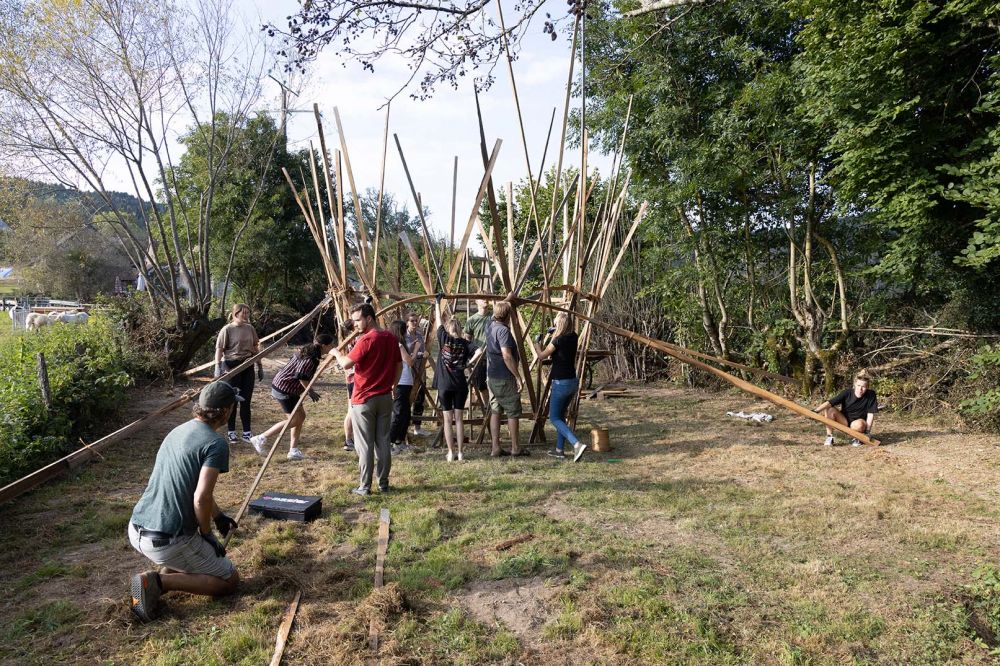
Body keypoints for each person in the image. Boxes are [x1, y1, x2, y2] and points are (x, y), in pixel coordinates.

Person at [127, 381, 242, 622]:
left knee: (191, 556)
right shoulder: (215, 443)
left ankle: (161, 575)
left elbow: (193, 490)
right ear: (227, 410)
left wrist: (218, 516)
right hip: (166, 539)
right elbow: (200, 498)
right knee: (229, 580)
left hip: (137, 528)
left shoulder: (178, 430)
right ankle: (157, 582)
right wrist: (207, 534)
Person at [330, 303, 401, 496]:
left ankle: (365, 486)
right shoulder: (391, 338)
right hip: (385, 397)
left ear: (369, 318)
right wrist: (393, 386)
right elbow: (399, 365)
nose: (355, 325)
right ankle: (383, 483)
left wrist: (336, 353)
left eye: (357, 320)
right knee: (383, 442)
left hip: (363, 399)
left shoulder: (366, 340)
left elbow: (346, 364)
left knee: (365, 444)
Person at [249, 334, 335, 460]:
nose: (332, 347)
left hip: (290, 389)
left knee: (300, 417)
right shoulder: (310, 359)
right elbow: (301, 376)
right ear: (323, 346)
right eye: (331, 344)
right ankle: (261, 438)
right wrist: (310, 391)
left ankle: (293, 450)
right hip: (284, 389)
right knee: (294, 420)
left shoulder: (309, 352)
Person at [533, 312, 587, 462]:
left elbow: (542, 356)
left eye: (556, 323)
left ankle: (576, 444)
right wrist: (553, 331)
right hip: (572, 381)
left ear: (559, 325)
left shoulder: (557, 340)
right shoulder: (573, 336)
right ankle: (559, 450)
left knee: (554, 417)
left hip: (560, 382)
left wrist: (537, 343)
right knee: (561, 416)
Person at [433, 294, 475, 461]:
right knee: (459, 419)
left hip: (445, 384)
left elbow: (437, 319)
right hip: (460, 384)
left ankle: (450, 452)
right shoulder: (465, 343)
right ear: (459, 328)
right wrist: (468, 364)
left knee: (447, 419)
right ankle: (461, 452)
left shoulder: (444, 338)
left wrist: (438, 303)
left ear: (448, 327)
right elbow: (479, 351)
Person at [214, 303, 262, 443]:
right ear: (236, 314)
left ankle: (247, 432)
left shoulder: (250, 328)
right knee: (232, 400)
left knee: (246, 400)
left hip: (247, 365)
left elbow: (255, 347)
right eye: (244, 313)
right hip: (231, 366)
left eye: (247, 313)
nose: (246, 315)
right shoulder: (227, 329)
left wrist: (259, 366)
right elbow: (219, 349)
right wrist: (218, 367)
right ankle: (231, 432)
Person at [486, 300, 527, 457]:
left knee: (495, 410)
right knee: (512, 411)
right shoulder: (503, 331)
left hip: (492, 376)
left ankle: (495, 448)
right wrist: (517, 376)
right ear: (508, 315)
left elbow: (496, 313)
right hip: (504, 377)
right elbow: (507, 356)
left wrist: (507, 299)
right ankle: (515, 448)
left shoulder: (490, 326)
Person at [813, 372, 878, 447]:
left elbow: (870, 414)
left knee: (859, 424)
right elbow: (830, 402)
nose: (860, 389)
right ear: (854, 385)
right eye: (858, 385)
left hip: (858, 423)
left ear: (867, 387)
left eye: (863, 387)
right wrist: (816, 411)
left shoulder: (871, 395)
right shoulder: (847, 393)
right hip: (844, 421)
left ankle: (857, 437)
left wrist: (867, 432)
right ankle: (829, 437)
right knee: (829, 409)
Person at [389, 319, 417, 453]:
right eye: (405, 327)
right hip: (401, 382)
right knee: (399, 413)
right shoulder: (398, 344)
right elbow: (410, 361)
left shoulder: (400, 344)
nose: (407, 329)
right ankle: (389, 442)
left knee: (405, 414)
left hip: (406, 382)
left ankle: (399, 441)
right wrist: (416, 349)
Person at [406, 312, 431, 437]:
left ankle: (417, 427)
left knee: (419, 399)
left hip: (420, 371)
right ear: (407, 323)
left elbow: (423, 350)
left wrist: (423, 353)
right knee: (407, 399)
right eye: (412, 321)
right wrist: (421, 354)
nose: (415, 323)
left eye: (416, 321)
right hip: (409, 372)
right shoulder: (405, 337)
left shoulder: (420, 336)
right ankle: (404, 426)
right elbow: (408, 354)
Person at [464, 299, 491, 401]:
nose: (485, 300)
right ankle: (487, 410)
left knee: (494, 384)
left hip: (493, 357)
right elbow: (467, 340)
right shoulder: (472, 319)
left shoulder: (493, 317)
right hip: (480, 358)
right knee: (481, 385)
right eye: (482, 298)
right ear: (476, 301)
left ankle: (494, 411)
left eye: (486, 297)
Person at [339, 319, 357, 452]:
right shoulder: (354, 342)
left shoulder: (346, 342)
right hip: (355, 379)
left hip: (352, 378)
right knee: (352, 411)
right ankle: (348, 440)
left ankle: (350, 439)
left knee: (352, 410)